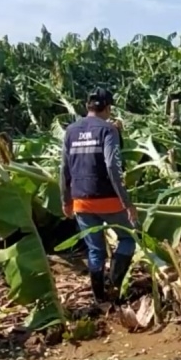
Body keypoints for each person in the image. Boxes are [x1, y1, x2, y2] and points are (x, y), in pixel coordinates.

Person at [60, 88, 137, 302]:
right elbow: (112, 165)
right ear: (108, 108)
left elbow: (64, 169)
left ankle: (99, 299)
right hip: (109, 200)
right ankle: (113, 282)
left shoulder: (71, 131)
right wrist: (127, 202)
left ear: (87, 107)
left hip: (81, 202)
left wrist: (65, 200)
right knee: (128, 239)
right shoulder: (108, 130)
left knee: (95, 251)